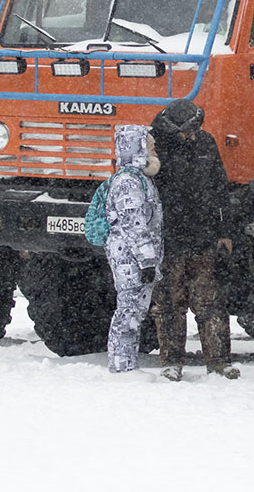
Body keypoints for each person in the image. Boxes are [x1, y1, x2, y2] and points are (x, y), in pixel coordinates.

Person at [148, 99, 241, 381]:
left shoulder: (205, 142)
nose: (193, 135)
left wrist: (225, 231)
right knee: (168, 305)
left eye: (196, 129)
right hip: (167, 240)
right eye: (188, 131)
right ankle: (171, 363)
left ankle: (219, 363)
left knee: (211, 303)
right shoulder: (153, 148)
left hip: (204, 237)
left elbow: (219, 187)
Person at [104, 124, 164, 379]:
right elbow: (135, 226)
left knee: (134, 313)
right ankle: (122, 367)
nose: (154, 150)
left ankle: (126, 364)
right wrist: (148, 261)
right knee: (128, 313)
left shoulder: (141, 179)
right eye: (149, 146)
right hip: (131, 261)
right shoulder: (129, 183)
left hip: (135, 260)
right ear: (137, 148)